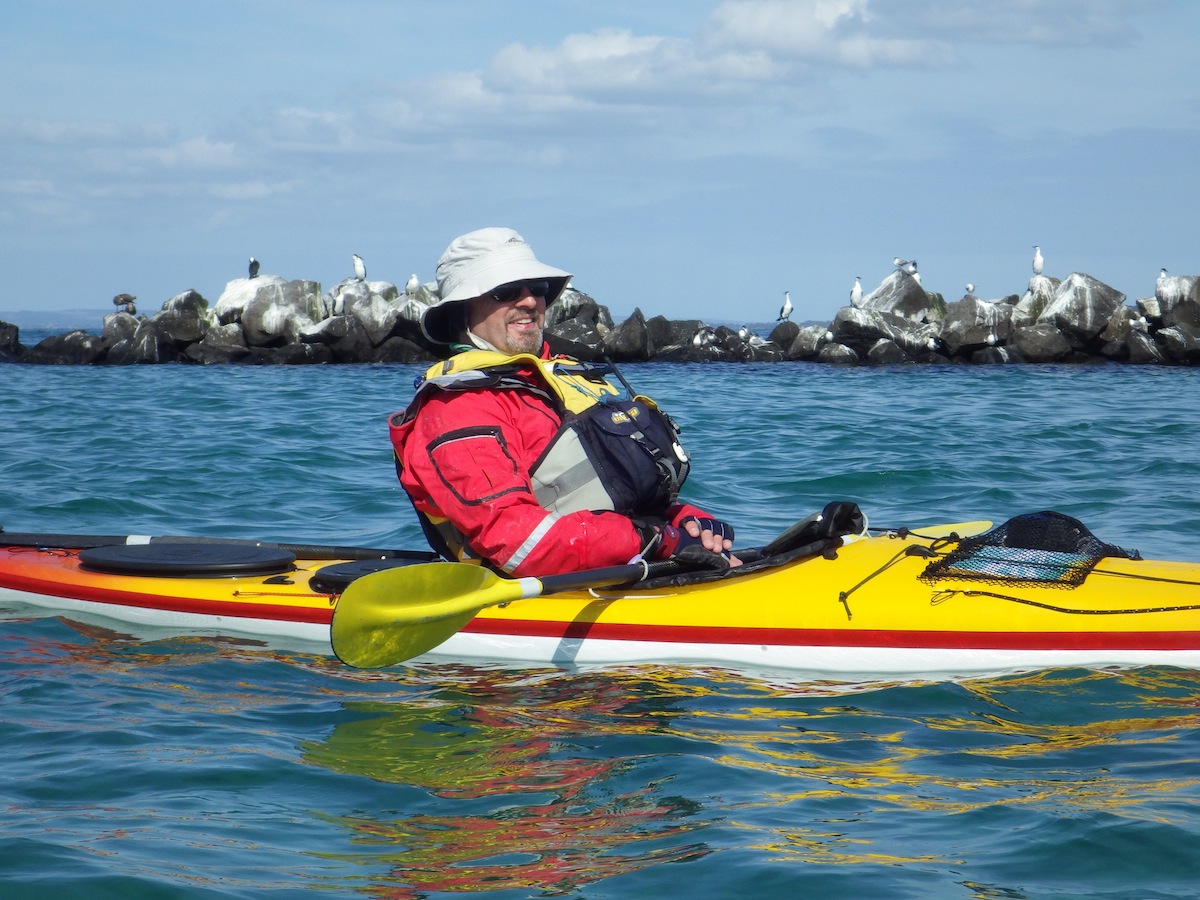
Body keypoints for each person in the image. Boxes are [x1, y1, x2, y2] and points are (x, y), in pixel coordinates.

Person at [389, 227, 740, 578]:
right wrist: (660, 540)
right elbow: (519, 542)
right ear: (461, 311)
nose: (529, 302)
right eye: (506, 291)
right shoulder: (458, 407)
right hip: (545, 589)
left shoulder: (566, 379)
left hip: (626, 565)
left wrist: (688, 523)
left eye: (537, 289)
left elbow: (620, 493)